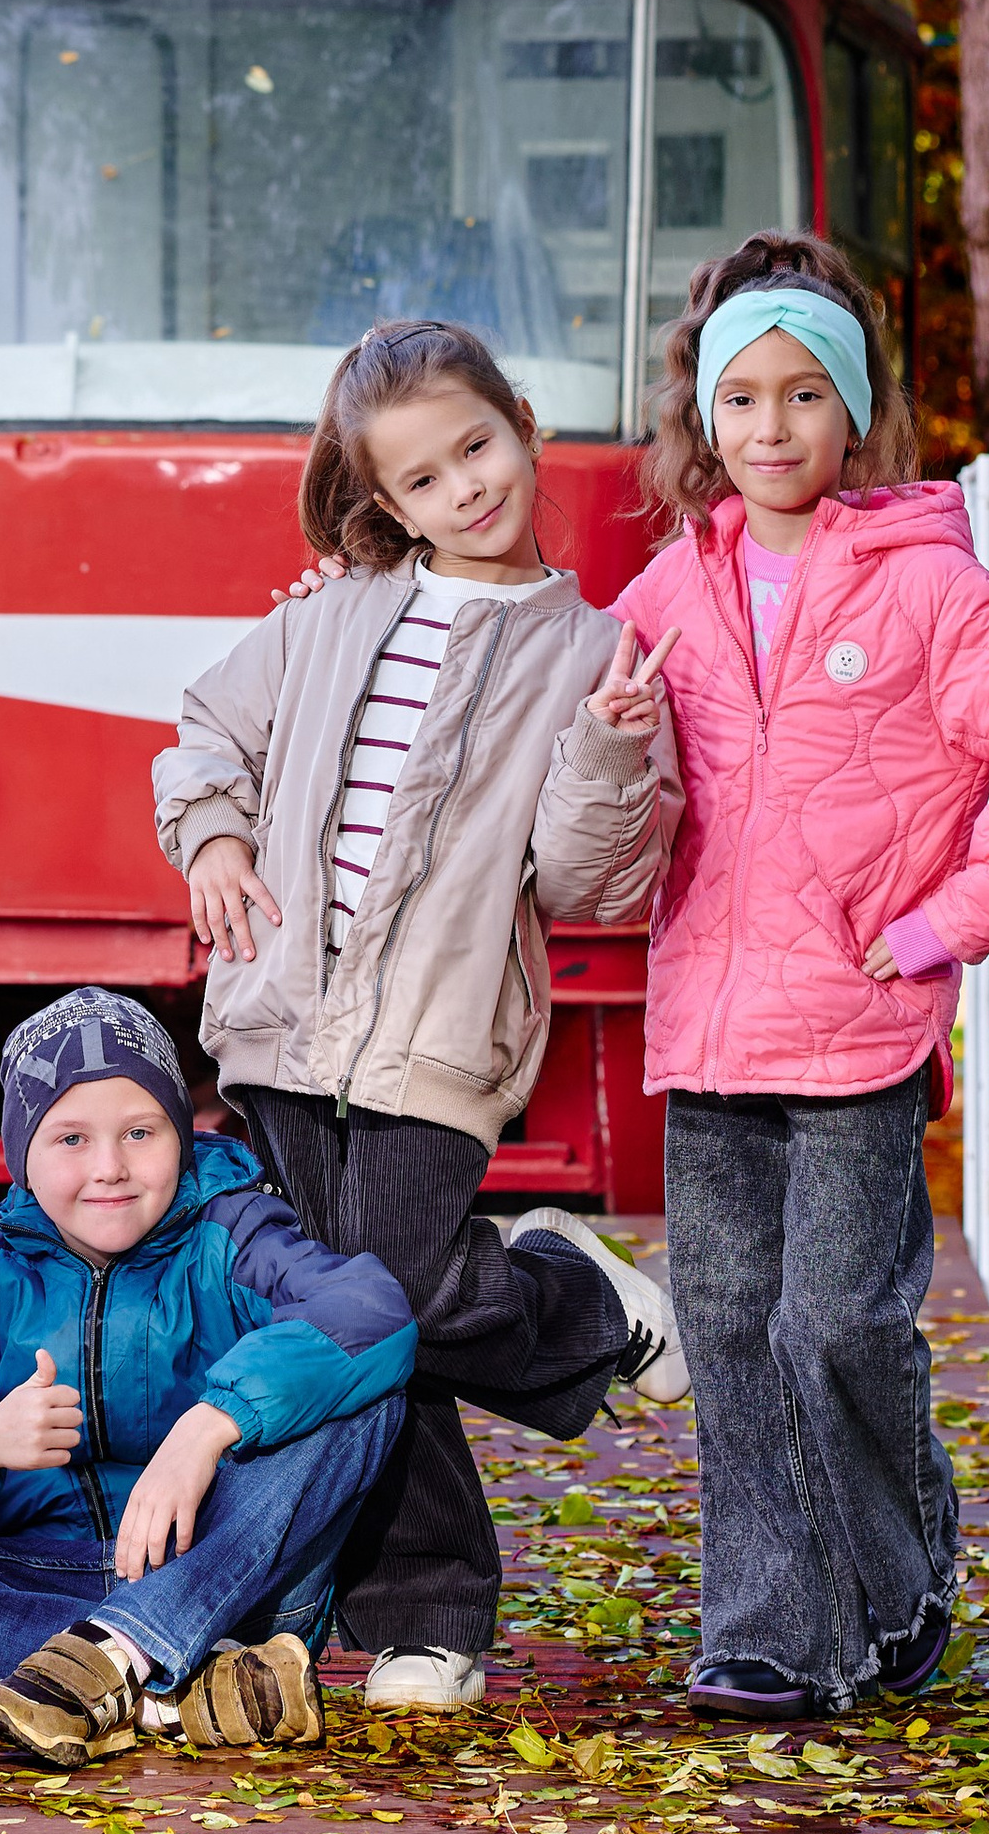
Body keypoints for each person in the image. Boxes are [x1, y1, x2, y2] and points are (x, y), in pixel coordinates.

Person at [600, 234, 989, 1722]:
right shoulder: (664, 596)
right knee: (721, 1324)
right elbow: (576, 745)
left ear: (854, 418)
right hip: (711, 1030)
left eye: (803, 397)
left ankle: (900, 1585)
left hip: (860, 1030)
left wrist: (947, 922)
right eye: (742, 400)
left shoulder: (923, 591)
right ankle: (771, 1629)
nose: (770, 429)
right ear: (705, 422)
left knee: (832, 1321)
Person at [150, 317, 688, 1717]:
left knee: (382, 1300)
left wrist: (616, 746)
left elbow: (585, 875)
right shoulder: (326, 614)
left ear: (522, 422)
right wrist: (211, 837)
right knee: (349, 1316)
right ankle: (424, 1619)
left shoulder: (594, 650)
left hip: (438, 1043)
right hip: (278, 1019)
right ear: (385, 504)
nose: (467, 488)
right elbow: (209, 734)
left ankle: (567, 1302)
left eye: (479, 446)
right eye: (427, 479)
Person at [0, 988, 418, 1773]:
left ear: (181, 1137)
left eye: (140, 1132)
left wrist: (208, 1426)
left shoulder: (231, 1232)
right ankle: (163, 1685)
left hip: (221, 1581)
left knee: (362, 1396)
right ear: (23, 1155)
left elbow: (369, 1312)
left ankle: (113, 1660)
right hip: (35, 1583)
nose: (109, 1168)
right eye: (72, 1139)